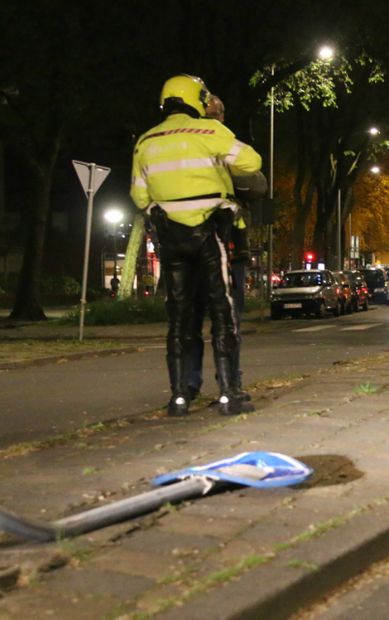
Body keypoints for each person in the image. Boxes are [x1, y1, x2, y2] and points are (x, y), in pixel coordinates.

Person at [130, 74, 262, 417]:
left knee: (180, 318)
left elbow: (139, 194)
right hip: (211, 235)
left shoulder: (146, 140)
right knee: (222, 312)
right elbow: (253, 164)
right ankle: (229, 393)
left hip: (172, 241)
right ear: (195, 98)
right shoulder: (209, 132)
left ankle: (179, 397)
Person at [182, 94, 266, 403]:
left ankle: (223, 382)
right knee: (199, 320)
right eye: (209, 114)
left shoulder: (223, 143)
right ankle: (198, 385)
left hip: (226, 247)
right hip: (204, 244)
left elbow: (256, 185)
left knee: (223, 321)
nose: (214, 120)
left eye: (217, 115)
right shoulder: (198, 144)